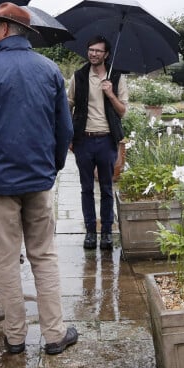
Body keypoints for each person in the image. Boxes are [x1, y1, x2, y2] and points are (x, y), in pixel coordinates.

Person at [0, 2, 78, 356]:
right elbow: (63, 129)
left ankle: (15, 336)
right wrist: (51, 168)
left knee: (5, 261)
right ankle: (54, 334)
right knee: (44, 256)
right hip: (38, 181)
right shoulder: (50, 69)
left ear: (6, 29)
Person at [67, 35, 128, 251]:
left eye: (98, 51)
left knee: (106, 188)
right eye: (90, 49)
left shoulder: (117, 78)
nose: (93, 53)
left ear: (106, 54)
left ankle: (107, 233)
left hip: (106, 140)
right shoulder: (79, 76)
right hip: (84, 140)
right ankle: (91, 232)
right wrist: (68, 135)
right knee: (85, 188)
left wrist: (110, 94)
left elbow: (122, 112)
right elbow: (69, 104)